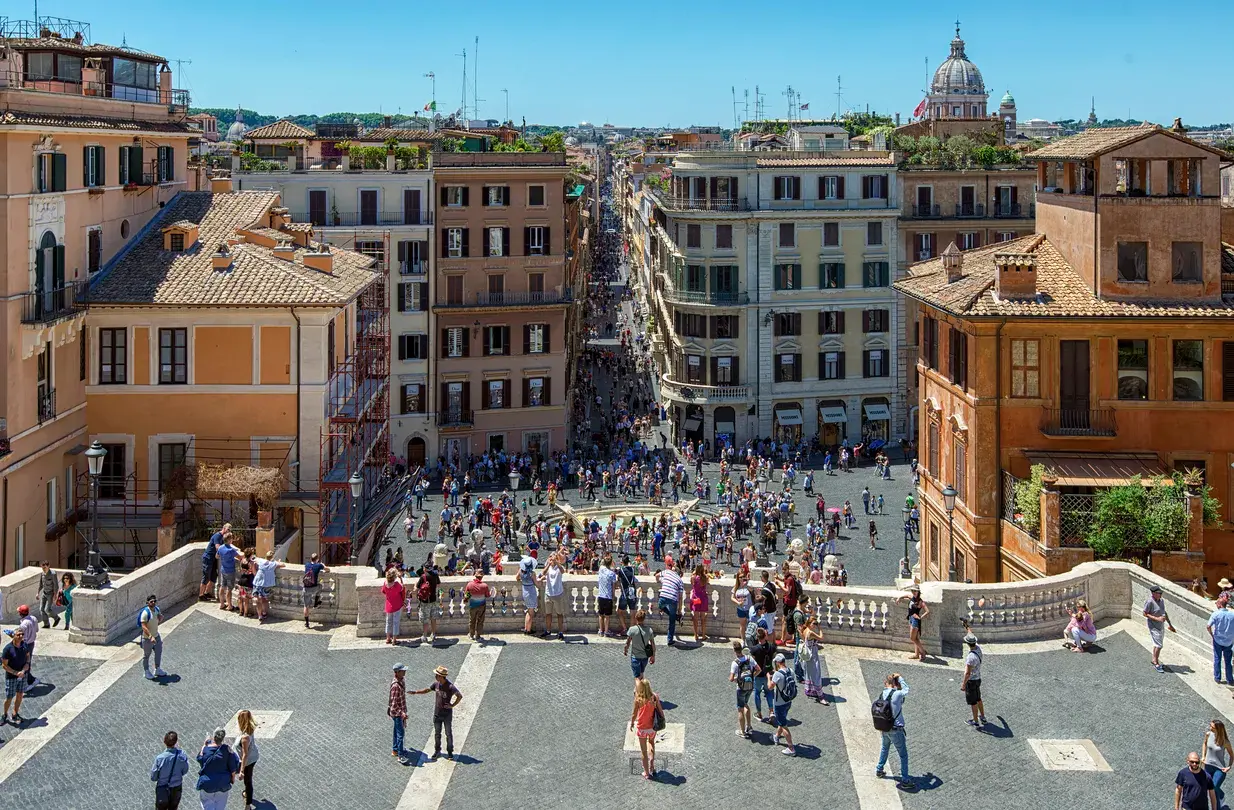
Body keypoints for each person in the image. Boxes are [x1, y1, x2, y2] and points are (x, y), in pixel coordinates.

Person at [410, 665, 462, 760]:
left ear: (441, 676)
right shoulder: (436, 684)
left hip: (447, 715)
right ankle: (437, 750)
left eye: (437, 675)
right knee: (437, 734)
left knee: (448, 733)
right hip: (437, 713)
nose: (435, 676)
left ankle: (450, 752)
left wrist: (452, 705)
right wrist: (416, 692)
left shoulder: (450, 686)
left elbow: (459, 696)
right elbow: (427, 690)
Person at [876, 673, 911, 785]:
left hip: (884, 727)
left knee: (885, 748)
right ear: (895, 684)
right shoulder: (897, 694)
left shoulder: (882, 694)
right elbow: (907, 689)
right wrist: (900, 678)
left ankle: (879, 769)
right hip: (896, 730)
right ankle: (905, 779)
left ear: (885, 683)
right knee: (903, 755)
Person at [195, 727, 240, 810]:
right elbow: (234, 765)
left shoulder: (206, 749)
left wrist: (204, 745)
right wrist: (233, 778)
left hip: (207, 783)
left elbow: (199, 759)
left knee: (207, 805)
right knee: (220, 805)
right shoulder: (227, 750)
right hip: (223, 782)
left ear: (213, 737)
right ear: (223, 738)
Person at [629, 677, 663, 779]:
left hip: (642, 728)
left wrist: (632, 723)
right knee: (651, 743)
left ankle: (646, 773)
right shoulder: (654, 697)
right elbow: (660, 711)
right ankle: (652, 764)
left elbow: (634, 714)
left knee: (643, 751)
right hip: (652, 727)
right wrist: (662, 720)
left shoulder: (638, 700)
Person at [797, 602, 828, 705]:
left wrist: (812, 614)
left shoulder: (805, 630)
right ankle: (820, 696)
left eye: (816, 624)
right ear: (810, 623)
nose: (815, 625)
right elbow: (821, 637)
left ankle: (810, 690)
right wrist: (820, 628)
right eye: (814, 624)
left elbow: (802, 636)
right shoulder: (811, 632)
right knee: (816, 674)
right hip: (812, 654)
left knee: (809, 673)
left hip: (807, 654)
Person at [151, 730, 190, 810]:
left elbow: (153, 777)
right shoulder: (182, 756)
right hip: (176, 788)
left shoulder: (160, 758)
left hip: (163, 788)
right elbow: (185, 770)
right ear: (176, 742)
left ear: (164, 741)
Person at [729, 639, 760, 738]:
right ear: (742, 649)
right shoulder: (749, 658)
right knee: (746, 704)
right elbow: (758, 669)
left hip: (741, 688)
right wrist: (752, 676)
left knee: (740, 708)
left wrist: (737, 680)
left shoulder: (735, 663)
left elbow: (731, 678)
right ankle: (749, 725)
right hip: (750, 686)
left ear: (734, 650)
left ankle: (742, 731)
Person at [1145, 584, 1176, 673]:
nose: (1160, 595)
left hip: (1161, 625)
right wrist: (1157, 618)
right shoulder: (1149, 602)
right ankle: (1156, 663)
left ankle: (1154, 659)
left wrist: (1170, 624)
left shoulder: (1161, 601)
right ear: (1153, 593)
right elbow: (1145, 613)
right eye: (1159, 593)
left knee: (1157, 643)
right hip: (1154, 626)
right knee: (1159, 645)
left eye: (1161, 593)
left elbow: (1164, 613)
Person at [770, 653, 797, 755]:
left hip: (779, 703)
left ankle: (791, 748)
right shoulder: (791, 671)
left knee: (783, 725)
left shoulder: (777, 674)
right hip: (788, 701)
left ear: (777, 662)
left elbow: (770, 687)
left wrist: (769, 677)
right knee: (782, 720)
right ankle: (776, 737)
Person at [1203, 719, 1233, 808]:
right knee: (1209, 787)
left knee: (1214, 786)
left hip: (1219, 768)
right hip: (1208, 766)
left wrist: (1229, 766)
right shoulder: (1208, 734)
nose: (1210, 728)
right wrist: (1203, 756)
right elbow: (1204, 744)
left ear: (1218, 729)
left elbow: (1232, 755)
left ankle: (1219, 801)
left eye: (1212, 727)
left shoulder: (1225, 742)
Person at [2, 627, 29, 725]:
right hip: (12, 677)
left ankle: (15, 713)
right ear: (13, 636)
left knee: (20, 695)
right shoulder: (8, 649)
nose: (21, 636)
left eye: (22, 634)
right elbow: (4, 665)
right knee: (9, 697)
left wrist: (27, 664)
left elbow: (28, 655)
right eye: (18, 634)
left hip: (22, 675)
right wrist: (15, 673)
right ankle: (4, 715)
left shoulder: (24, 645)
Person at [236, 710, 260, 810]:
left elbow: (245, 755)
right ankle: (247, 794)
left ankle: (248, 805)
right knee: (248, 779)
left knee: (247, 781)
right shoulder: (250, 728)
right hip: (253, 756)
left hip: (248, 760)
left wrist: (241, 771)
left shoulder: (245, 737)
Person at [655, 558, 683, 645]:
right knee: (672, 620)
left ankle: (675, 616)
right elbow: (681, 597)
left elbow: (656, 576)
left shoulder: (667, 572)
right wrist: (679, 610)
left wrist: (660, 581)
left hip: (664, 596)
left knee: (660, 606)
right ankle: (669, 640)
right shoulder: (680, 581)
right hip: (673, 599)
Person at [539, 552, 567, 639]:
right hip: (548, 593)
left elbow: (562, 571)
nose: (551, 557)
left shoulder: (558, 567)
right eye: (550, 556)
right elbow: (543, 573)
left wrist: (557, 562)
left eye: (553, 556)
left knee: (559, 614)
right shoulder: (548, 568)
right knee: (548, 614)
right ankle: (548, 630)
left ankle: (561, 631)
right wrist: (548, 564)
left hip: (558, 594)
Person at [960, 633, 986, 727]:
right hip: (978, 679)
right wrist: (966, 626)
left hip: (971, 682)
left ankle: (975, 721)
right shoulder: (978, 649)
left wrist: (963, 685)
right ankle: (982, 717)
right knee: (978, 698)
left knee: (973, 702)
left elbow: (967, 673)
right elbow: (971, 633)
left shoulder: (970, 658)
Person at [897, 587, 929, 661]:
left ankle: (923, 652)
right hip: (911, 618)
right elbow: (907, 595)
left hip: (915, 620)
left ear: (918, 592)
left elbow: (927, 611)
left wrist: (920, 617)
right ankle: (916, 654)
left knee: (912, 638)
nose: (914, 592)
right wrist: (899, 598)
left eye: (915, 591)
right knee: (916, 638)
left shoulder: (920, 601)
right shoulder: (911, 597)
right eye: (912, 591)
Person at [1208, 595, 1234, 684]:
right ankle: (1230, 679)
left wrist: (1212, 634)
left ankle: (1217, 678)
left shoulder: (1216, 614)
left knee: (1217, 659)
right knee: (1228, 661)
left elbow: (1208, 626)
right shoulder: (1232, 615)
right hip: (1228, 641)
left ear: (1219, 605)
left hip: (1218, 640)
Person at [140, 594, 167, 681]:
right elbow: (143, 626)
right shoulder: (145, 613)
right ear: (147, 603)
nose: (153, 603)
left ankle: (157, 669)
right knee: (146, 655)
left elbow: (158, 618)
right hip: (147, 638)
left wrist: (160, 618)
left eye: (155, 601)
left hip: (156, 636)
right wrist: (150, 636)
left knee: (158, 652)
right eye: (151, 601)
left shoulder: (156, 609)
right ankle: (146, 671)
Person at [624, 609, 655, 679]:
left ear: (636, 618)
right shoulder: (649, 630)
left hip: (635, 657)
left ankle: (637, 689)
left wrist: (625, 650)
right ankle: (641, 689)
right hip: (645, 658)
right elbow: (653, 644)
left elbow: (627, 643)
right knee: (641, 674)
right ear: (644, 619)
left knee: (637, 677)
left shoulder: (632, 630)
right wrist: (653, 656)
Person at [253, 551, 284, 622]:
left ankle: (259, 615)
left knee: (258, 600)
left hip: (258, 582)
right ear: (272, 557)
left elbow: (254, 559)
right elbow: (283, 565)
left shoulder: (261, 561)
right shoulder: (273, 564)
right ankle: (264, 613)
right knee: (264, 599)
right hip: (266, 584)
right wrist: (276, 561)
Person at [416, 561, 442, 644]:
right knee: (433, 618)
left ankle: (424, 636)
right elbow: (438, 585)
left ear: (425, 568)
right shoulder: (435, 575)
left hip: (425, 601)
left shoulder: (423, 577)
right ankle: (434, 634)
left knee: (425, 619)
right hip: (433, 600)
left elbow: (417, 588)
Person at [302, 552, 329, 629]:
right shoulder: (319, 565)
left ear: (311, 559)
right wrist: (323, 565)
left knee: (306, 606)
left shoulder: (307, 565)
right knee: (320, 586)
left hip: (306, 588)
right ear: (317, 559)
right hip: (314, 588)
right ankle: (316, 602)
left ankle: (307, 623)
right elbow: (327, 569)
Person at [216, 532, 242, 612]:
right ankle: (230, 606)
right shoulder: (231, 550)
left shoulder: (220, 548)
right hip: (230, 571)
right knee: (229, 589)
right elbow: (240, 557)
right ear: (229, 540)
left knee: (222, 586)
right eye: (231, 538)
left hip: (223, 570)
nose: (232, 540)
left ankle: (222, 604)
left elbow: (217, 556)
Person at [389, 663, 410, 762]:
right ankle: (400, 755)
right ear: (397, 672)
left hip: (400, 711)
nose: (404, 671)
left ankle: (396, 749)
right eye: (402, 670)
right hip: (397, 714)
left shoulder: (402, 680)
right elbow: (393, 705)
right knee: (400, 734)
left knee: (396, 731)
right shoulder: (395, 686)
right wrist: (402, 713)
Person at [464, 571, 491, 642]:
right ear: (481, 577)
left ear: (475, 576)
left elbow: (467, 595)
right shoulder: (484, 586)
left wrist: (465, 600)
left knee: (472, 620)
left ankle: (471, 635)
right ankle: (478, 636)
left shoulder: (469, 585)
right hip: (482, 605)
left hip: (472, 605)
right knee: (480, 620)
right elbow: (487, 595)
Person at [382, 569, 405, 645]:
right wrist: (401, 578)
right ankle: (394, 640)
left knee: (388, 622)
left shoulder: (385, 584)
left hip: (388, 605)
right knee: (396, 622)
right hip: (397, 605)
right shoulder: (397, 585)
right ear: (395, 577)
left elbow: (383, 591)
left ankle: (388, 638)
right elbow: (402, 588)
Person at [596, 555, 617, 637]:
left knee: (601, 615)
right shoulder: (612, 574)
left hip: (601, 595)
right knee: (607, 616)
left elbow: (601, 563)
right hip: (608, 596)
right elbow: (613, 586)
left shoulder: (601, 569)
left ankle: (601, 630)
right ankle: (606, 631)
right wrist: (614, 595)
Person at [37, 560, 61, 628]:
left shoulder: (53, 574)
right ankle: (46, 624)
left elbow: (56, 585)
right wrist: (37, 593)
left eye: (45, 568)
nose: (43, 569)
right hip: (44, 593)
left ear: (48, 566)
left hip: (51, 594)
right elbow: (41, 584)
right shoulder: (42, 574)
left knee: (47, 609)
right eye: (42, 568)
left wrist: (55, 595)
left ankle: (56, 618)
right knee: (41, 609)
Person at [689, 564, 710, 642]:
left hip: (696, 598)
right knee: (703, 618)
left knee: (695, 618)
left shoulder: (693, 577)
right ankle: (703, 635)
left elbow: (691, 582)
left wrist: (694, 572)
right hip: (703, 598)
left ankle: (695, 635)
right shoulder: (705, 577)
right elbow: (708, 581)